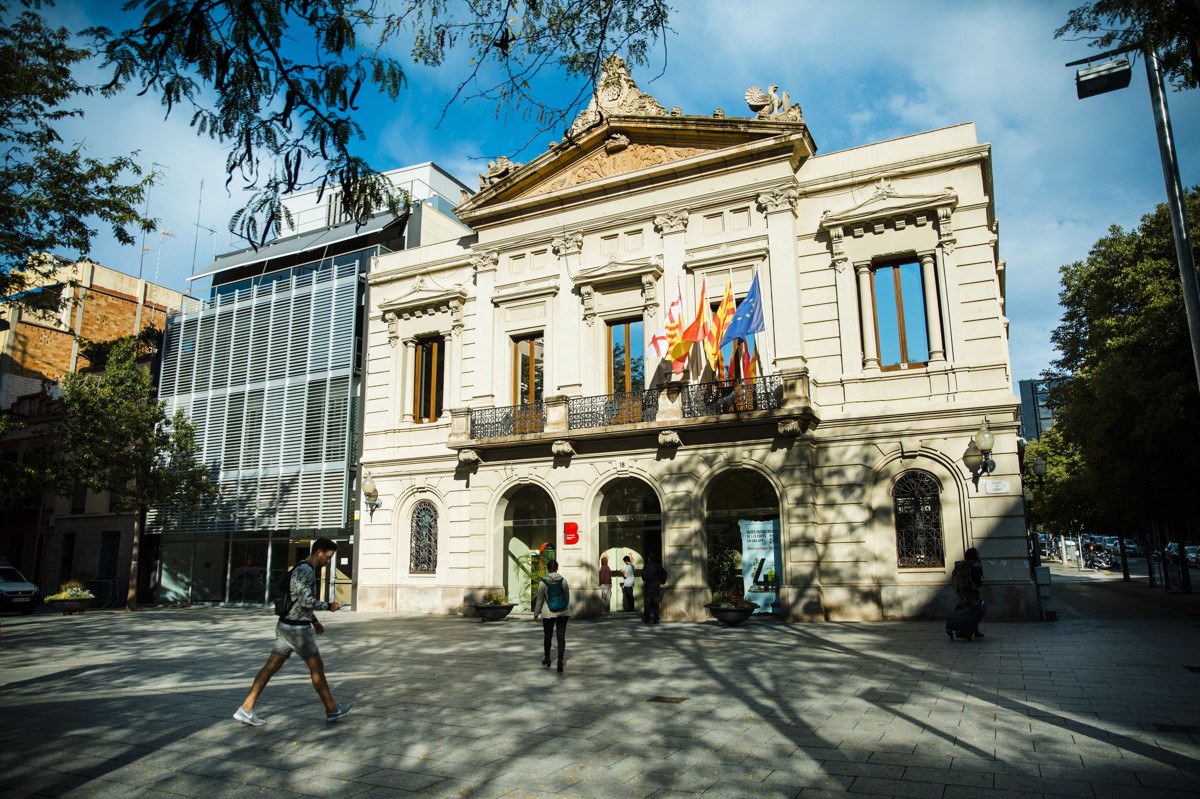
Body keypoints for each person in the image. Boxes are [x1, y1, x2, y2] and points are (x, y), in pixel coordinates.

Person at [234, 538, 354, 725]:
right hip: (297, 631)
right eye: (328, 557)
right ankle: (332, 710)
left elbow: (298, 600)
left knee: (270, 668)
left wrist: (314, 621)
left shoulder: (301, 568)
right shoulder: (305, 570)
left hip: (285, 626)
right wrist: (329, 605)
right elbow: (306, 600)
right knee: (317, 669)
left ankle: (246, 708)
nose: (328, 561)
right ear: (319, 552)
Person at [533, 559, 569, 672]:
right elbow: (567, 597)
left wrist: (536, 613)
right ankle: (560, 661)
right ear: (557, 568)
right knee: (561, 637)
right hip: (563, 612)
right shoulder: (563, 581)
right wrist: (562, 605)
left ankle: (547, 658)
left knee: (547, 636)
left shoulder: (543, 582)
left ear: (548, 569)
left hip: (548, 612)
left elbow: (539, 600)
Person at [641, 555, 668, 624]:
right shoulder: (659, 566)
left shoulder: (646, 566)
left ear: (649, 559)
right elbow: (665, 574)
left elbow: (643, 576)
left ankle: (647, 619)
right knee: (656, 603)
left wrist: (646, 579)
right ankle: (656, 619)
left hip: (649, 586)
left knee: (647, 602)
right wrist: (662, 581)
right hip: (656, 586)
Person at [964, 546, 985, 638]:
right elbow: (977, 578)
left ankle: (970, 629)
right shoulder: (976, 564)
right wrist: (980, 589)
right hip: (973, 590)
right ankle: (974, 630)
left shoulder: (964, 564)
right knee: (976, 610)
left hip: (964, 590)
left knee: (968, 610)